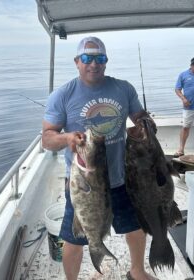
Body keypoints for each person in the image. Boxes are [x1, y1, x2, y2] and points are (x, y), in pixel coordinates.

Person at [42, 37, 156, 280]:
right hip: (84, 184)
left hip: (121, 177)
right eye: (87, 58)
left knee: (135, 227)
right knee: (73, 238)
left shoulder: (123, 88)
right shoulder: (62, 95)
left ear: (106, 61)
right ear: (77, 61)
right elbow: (47, 138)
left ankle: (137, 270)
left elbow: (139, 116)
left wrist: (144, 124)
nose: (93, 64)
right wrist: (67, 138)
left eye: (99, 58)